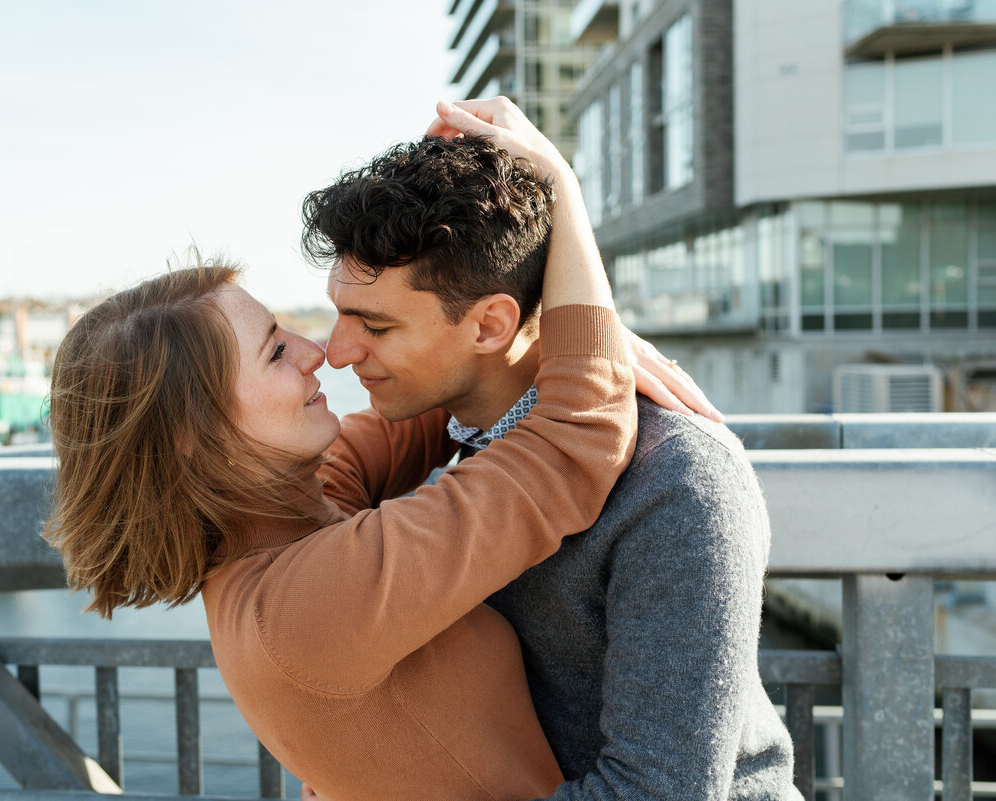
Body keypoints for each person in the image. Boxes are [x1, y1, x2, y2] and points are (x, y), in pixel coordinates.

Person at [45, 100, 653, 800]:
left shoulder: (281, 524)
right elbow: (578, 438)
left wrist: (536, 328)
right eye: (277, 351)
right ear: (195, 436)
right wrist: (562, 191)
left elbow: (424, 404)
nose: (321, 353)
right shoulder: (309, 600)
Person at [301, 97, 801, 800]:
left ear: (489, 326)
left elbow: (656, 794)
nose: (336, 351)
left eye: (374, 327)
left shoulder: (679, 483)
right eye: (339, 313)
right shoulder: (464, 429)